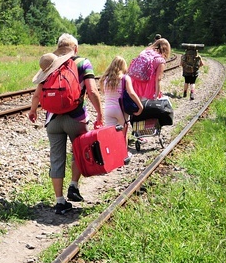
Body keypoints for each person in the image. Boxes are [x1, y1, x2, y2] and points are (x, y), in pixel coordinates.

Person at [27, 34, 103, 215]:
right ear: (75, 48)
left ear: (58, 48)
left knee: (56, 158)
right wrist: (100, 113)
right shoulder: (83, 63)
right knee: (78, 151)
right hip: (76, 118)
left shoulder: (51, 64)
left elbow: (38, 94)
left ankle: (59, 201)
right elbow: (92, 91)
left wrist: (33, 110)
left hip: (52, 120)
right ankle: (73, 185)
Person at [100, 55, 144, 131]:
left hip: (108, 110)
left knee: (111, 134)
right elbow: (131, 93)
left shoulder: (105, 79)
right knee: (123, 134)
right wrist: (140, 106)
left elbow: (104, 92)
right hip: (120, 109)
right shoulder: (125, 78)